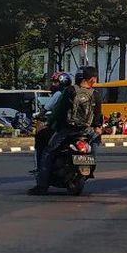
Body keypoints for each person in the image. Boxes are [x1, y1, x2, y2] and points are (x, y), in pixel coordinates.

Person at [29, 66, 102, 195]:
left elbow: (59, 111)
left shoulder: (70, 91)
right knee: (95, 142)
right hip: (87, 131)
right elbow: (98, 116)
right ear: (92, 79)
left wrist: (52, 125)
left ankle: (41, 185)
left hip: (68, 130)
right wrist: (97, 128)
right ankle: (91, 165)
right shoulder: (95, 94)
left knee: (48, 151)